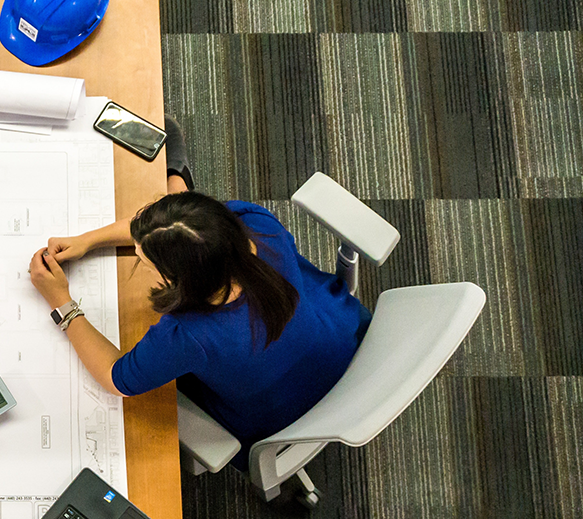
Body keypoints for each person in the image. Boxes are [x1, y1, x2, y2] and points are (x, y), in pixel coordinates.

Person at [26, 127, 369, 469]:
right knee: (170, 136)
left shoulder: (188, 336)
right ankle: (179, 180)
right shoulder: (254, 224)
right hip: (341, 339)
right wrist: (88, 240)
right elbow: (171, 228)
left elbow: (118, 379)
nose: (138, 260)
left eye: (144, 261)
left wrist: (62, 303)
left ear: (177, 280)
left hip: (281, 415)